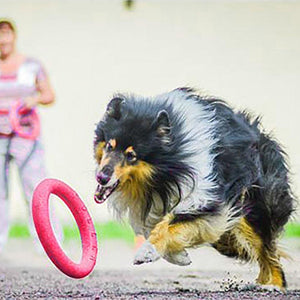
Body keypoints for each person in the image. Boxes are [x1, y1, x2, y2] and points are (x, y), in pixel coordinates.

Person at [0, 19, 62, 251]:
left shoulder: (31, 65)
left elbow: (49, 95)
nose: (2, 40)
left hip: (25, 135)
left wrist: (32, 99)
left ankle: (49, 242)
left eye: (6, 34)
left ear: (14, 37)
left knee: (35, 188)